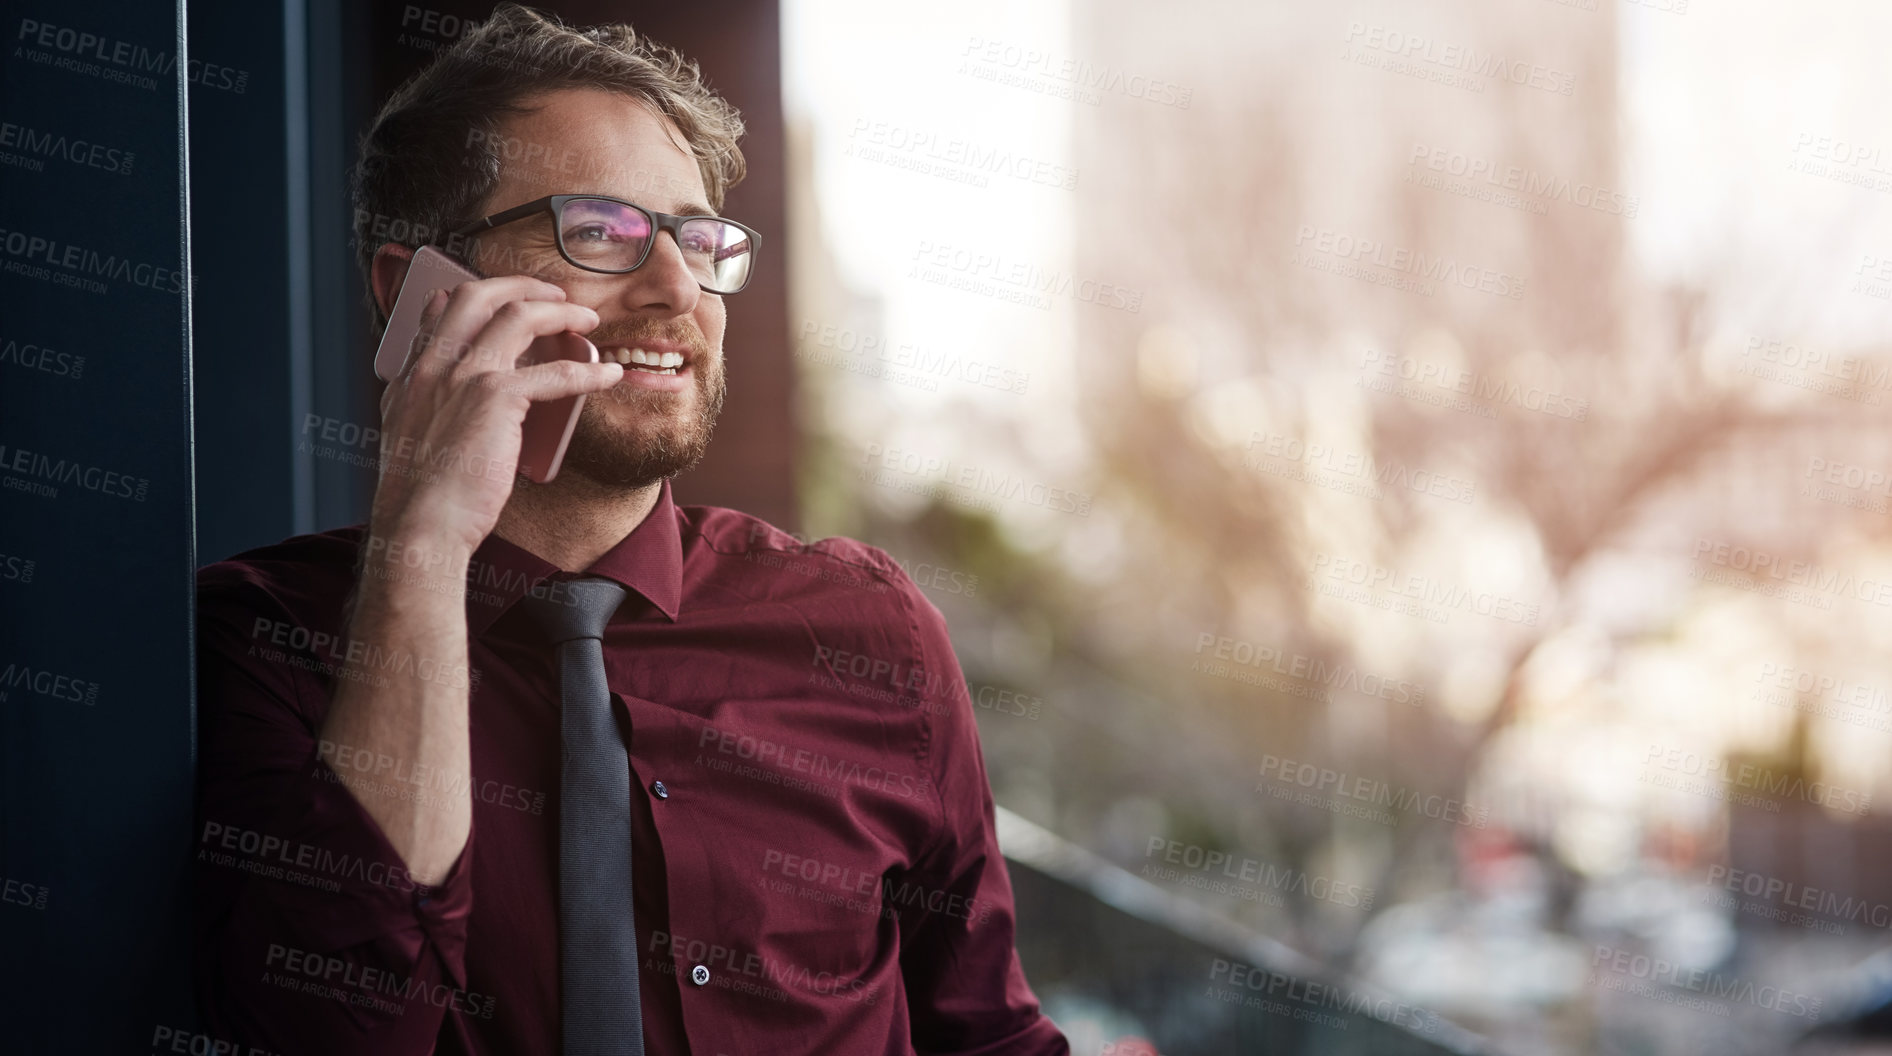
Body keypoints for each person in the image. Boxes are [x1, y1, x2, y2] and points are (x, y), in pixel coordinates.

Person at [191, 5, 1071, 1054]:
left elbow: (988, 1038)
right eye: (599, 232)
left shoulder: (868, 631)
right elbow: (334, 1032)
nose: (674, 289)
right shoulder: (255, 642)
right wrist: (419, 552)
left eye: (698, 241)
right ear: (419, 297)